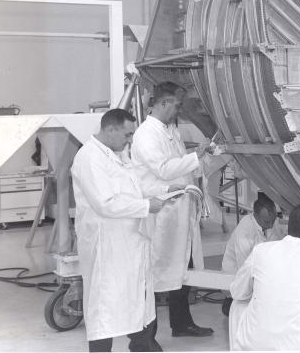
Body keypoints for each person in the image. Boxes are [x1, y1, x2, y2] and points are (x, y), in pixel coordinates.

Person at [71, 108, 176, 352]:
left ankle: (142, 345)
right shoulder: (89, 158)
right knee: (104, 308)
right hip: (107, 246)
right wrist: (147, 206)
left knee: (137, 299)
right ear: (110, 130)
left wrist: (163, 191)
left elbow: (133, 188)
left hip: (130, 241)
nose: (130, 140)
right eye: (127, 135)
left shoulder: (118, 153)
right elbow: (105, 203)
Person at [130, 82, 214, 338]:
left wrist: (199, 158)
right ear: (164, 103)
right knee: (155, 274)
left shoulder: (169, 130)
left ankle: (181, 324)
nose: (179, 110)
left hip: (178, 212)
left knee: (181, 269)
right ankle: (145, 336)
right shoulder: (146, 134)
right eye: (177, 105)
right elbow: (164, 170)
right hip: (160, 214)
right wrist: (195, 156)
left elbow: (178, 164)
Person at [228, 203, 300, 350]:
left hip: (256, 346)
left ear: (289, 225)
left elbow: (237, 292)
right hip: (298, 347)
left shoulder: (261, 250)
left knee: (237, 305)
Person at [220, 193, 280, 315]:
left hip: (260, 276)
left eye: (273, 220)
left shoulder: (270, 222)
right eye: (267, 221)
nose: (271, 225)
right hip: (239, 279)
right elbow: (245, 269)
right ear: (255, 215)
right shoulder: (245, 232)